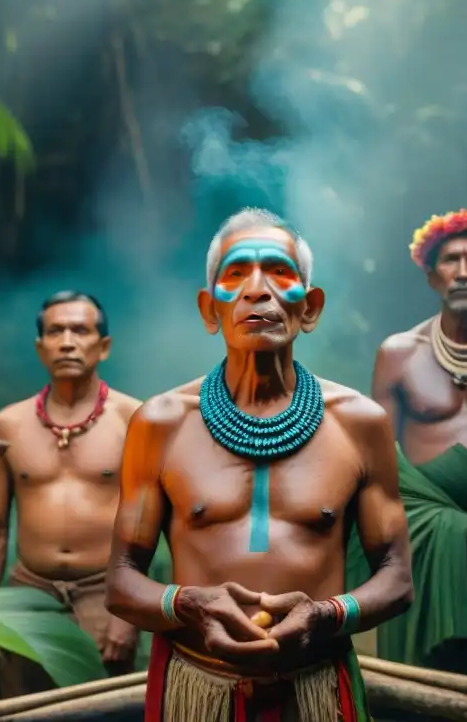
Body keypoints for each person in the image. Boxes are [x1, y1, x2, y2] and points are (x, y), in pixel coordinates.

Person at [105, 208, 413, 721]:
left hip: (315, 687)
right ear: (210, 310)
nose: (256, 289)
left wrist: (325, 615)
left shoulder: (360, 423)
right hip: (195, 688)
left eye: (279, 272)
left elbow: (397, 579)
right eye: (235, 274)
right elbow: (120, 581)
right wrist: (188, 605)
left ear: (309, 308)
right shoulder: (159, 423)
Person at [347, 208, 467, 684]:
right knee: (422, 691)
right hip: (422, 542)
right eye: (449, 260)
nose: (461, 271)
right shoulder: (399, 354)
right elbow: (377, 466)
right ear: (432, 276)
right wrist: (445, 531)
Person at [0, 291, 143, 698]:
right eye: (55, 331)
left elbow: (146, 525)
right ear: (40, 347)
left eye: (80, 330)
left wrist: (130, 615)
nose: (67, 341)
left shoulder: (133, 418)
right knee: (23, 709)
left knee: (105, 711)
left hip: (105, 597)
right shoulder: (9, 423)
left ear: (103, 346)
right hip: (27, 597)